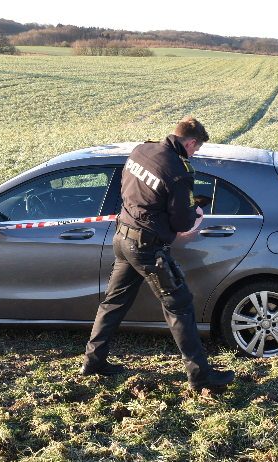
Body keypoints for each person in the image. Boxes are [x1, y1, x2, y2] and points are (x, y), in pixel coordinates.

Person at [80, 117, 235, 392]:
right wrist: (195, 213)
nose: (194, 154)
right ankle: (200, 376)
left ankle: (93, 360)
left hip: (123, 237)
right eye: (195, 149)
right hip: (147, 248)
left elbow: (135, 191)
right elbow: (182, 223)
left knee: (113, 302)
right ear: (189, 142)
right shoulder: (178, 171)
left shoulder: (141, 150)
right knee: (180, 306)